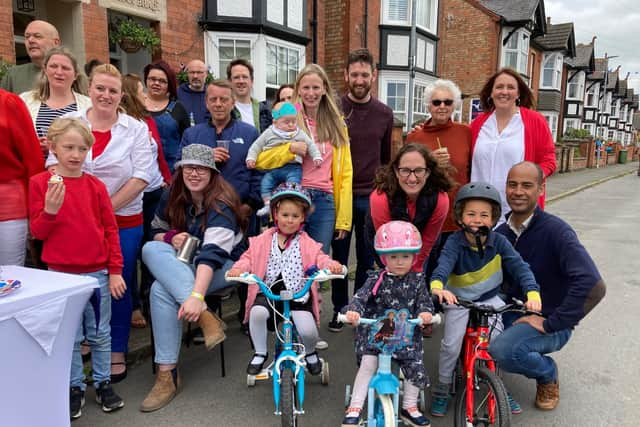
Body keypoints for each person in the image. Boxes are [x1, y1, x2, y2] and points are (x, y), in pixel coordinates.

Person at [46, 63, 154, 383]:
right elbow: (53, 164)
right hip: (74, 224)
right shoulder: (71, 124)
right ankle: (85, 345)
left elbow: (141, 177)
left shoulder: (135, 129)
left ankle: (116, 349)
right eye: (100, 88)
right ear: (89, 89)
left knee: (116, 285)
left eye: (113, 90)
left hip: (124, 220)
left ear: (122, 95)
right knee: (79, 284)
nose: (106, 95)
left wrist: (101, 208)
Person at [28, 117, 126, 418]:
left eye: (82, 149)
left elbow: (110, 229)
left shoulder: (95, 186)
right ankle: (74, 386)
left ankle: (103, 382)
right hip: (59, 274)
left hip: (96, 272)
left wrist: (115, 270)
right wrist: (50, 212)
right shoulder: (39, 183)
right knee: (68, 336)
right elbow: (38, 233)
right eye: (69, 147)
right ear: (53, 146)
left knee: (99, 332)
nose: (75, 154)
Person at [489, 161, 606, 411]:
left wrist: (550, 322)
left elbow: (594, 285)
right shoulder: (500, 234)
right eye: (512, 185)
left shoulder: (557, 232)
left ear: (541, 188)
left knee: (503, 351)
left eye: (526, 185)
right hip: (512, 313)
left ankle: (547, 374)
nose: (518, 191)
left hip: (550, 321)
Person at [140, 144, 246, 412]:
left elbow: (211, 256)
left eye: (201, 168)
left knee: (160, 291)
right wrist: (170, 237)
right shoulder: (173, 193)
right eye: (188, 168)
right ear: (181, 170)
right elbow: (154, 230)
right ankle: (206, 320)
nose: (194, 174)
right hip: (185, 264)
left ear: (212, 173)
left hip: (226, 266)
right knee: (151, 248)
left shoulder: (222, 203)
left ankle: (167, 376)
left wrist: (197, 297)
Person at [428, 182, 541, 417]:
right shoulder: (454, 242)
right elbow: (443, 265)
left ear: (493, 219)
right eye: (471, 214)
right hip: (458, 299)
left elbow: (520, 267)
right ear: (460, 217)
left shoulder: (499, 241)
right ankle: (443, 384)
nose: (477, 220)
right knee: (451, 346)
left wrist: (532, 292)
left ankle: (496, 385)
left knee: (497, 343)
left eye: (484, 215)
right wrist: (438, 286)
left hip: (490, 299)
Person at [227, 183, 343, 376]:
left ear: (303, 218)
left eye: (295, 216)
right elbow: (249, 257)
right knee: (256, 313)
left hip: (298, 294)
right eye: (285, 215)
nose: (289, 220)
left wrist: (330, 265)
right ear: (275, 215)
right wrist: (239, 269)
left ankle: (311, 352)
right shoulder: (264, 239)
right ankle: (260, 352)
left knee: (307, 330)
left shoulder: (306, 242)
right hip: (269, 291)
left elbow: (319, 257)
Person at [341, 221, 434, 427]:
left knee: (414, 365)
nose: (399, 262)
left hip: (406, 334)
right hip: (377, 333)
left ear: (414, 257)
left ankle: (409, 406)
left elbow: (424, 302)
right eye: (393, 257)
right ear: (384, 258)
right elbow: (360, 297)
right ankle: (355, 406)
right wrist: (354, 311)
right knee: (368, 364)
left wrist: (426, 313)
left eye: (405, 256)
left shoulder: (417, 280)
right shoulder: (376, 278)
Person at [329, 48, 393, 333]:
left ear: (373, 76)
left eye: (364, 74)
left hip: (371, 196)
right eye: (354, 74)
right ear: (346, 75)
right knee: (338, 257)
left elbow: (386, 158)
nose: (359, 79)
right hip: (339, 196)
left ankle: (361, 306)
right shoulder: (333, 108)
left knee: (368, 258)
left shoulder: (384, 113)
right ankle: (340, 309)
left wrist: (385, 193)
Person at [470, 68, 556, 224]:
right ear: (491, 92)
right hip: (480, 210)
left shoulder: (535, 121)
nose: (504, 91)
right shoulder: (478, 124)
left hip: (518, 208)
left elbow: (549, 160)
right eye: (499, 87)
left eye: (510, 87)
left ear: (518, 94)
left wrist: (532, 180)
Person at [120, 73, 172, 328]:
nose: (145, 95)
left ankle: (149, 297)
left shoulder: (147, 120)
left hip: (154, 193)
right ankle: (133, 307)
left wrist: (166, 177)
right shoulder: (122, 124)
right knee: (130, 254)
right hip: (130, 197)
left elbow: (158, 152)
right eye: (141, 91)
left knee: (151, 250)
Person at [406, 79, 471, 278]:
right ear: (428, 105)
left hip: (457, 218)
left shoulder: (466, 132)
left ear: (455, 105)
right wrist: (429, 161)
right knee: (422, 274)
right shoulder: (415, 137)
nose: (442, 106)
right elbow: (405, 174)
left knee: (452, 277)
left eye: (447, 102)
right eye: (436, 102)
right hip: (425, 218)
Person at [369, 143, 452, 273]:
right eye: (405, 170)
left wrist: (415, 270)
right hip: (386, 244)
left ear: (428, 172)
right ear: (396, 171)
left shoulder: (440, 199)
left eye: (419, 170)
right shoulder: (380, 198)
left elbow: (428, 240)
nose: (412, 178)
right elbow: (385, 241)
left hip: (419, 246)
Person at [246, 101, 322, 217]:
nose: (291, 125)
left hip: (293, 168)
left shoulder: (298, 133)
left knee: (292, 186)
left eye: (293, 121)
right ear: (275, 122)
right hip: (273, 169)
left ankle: (293, 204)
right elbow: (256, 146)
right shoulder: (269, 132)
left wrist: (316, 156)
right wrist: (251, 158)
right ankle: (267, 204)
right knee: (265, 184)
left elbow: (310, 145)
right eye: (286, 122)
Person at [20, 47, 91, 160]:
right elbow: (14, 138)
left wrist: (57, 148)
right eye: (53, 66)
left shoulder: (88, 105)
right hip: (33, 171)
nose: (59, 72)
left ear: (75, 75)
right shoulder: (25, 100)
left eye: (65, 68)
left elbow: (94, 143)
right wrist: (33, 145)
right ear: (45, 70)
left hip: (72, 173)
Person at [0, 89, 43, 265]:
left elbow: (33, 159)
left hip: (8, 205)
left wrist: (36, 211)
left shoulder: (9, 103)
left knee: (9, 276)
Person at [143, 60, 190, 171]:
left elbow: (187, 143)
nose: (156, 83)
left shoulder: (178, 109)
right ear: (146, 80)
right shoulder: (134, 106)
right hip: (140, 174)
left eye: (162, 81)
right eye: (152, 79)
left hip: (171, 174)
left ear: (169, 84)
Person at [1, 20, 61, 94]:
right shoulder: (13, 75)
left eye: (37, 36)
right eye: (27, 37)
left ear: (56, 43)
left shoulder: (70, 73)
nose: (30, 40)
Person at [227, 58, 271, 132]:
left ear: (252, 81)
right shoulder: (225, 109)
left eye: (245, 77)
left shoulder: (265, 111)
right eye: (236, 77)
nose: (241, 81)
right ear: (229, 82)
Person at [177, 59, 210, 124]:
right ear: (187, 74)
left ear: (206, 74)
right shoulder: (178, 94)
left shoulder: (213, 94)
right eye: (192, 72)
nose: (195, 76)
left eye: (199, 72)